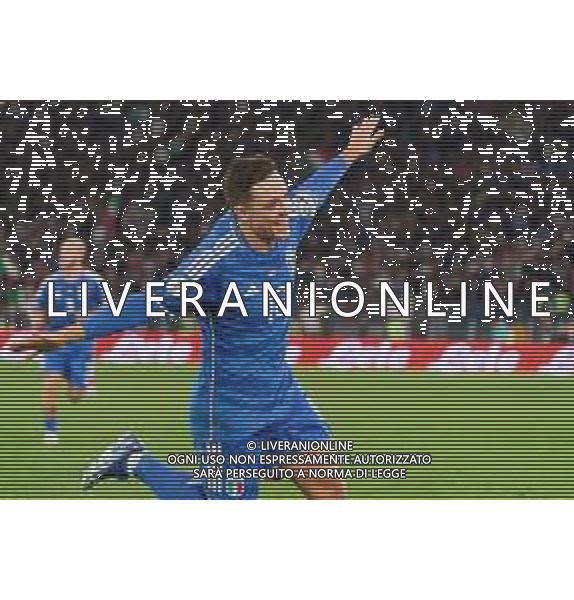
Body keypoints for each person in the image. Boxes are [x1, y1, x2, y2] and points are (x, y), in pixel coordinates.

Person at [11, 115, 384, 498]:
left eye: (284, 198)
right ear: (243, 212)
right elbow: (145, 304)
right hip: (227, 409)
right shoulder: (213, 262)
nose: (286, 210)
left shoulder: (285, 221)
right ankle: (136, 460)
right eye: (273, 204)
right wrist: (64, 336)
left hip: (282, 395)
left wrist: (350, 153)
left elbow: (315, 190)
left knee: (331, 494)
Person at [28, 236, 105, 444]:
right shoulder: (51, 281)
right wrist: (36, 333)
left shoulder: (93, 281)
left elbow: (107, 309)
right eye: (63, 250)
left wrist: (91, 317)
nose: (64, 255)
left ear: (80, 254)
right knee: (50, 384)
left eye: (70, 251)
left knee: (75, 397)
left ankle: (83, 380)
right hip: (54, 341)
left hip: (80, 342)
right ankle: (51, 431)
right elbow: (38, 308)